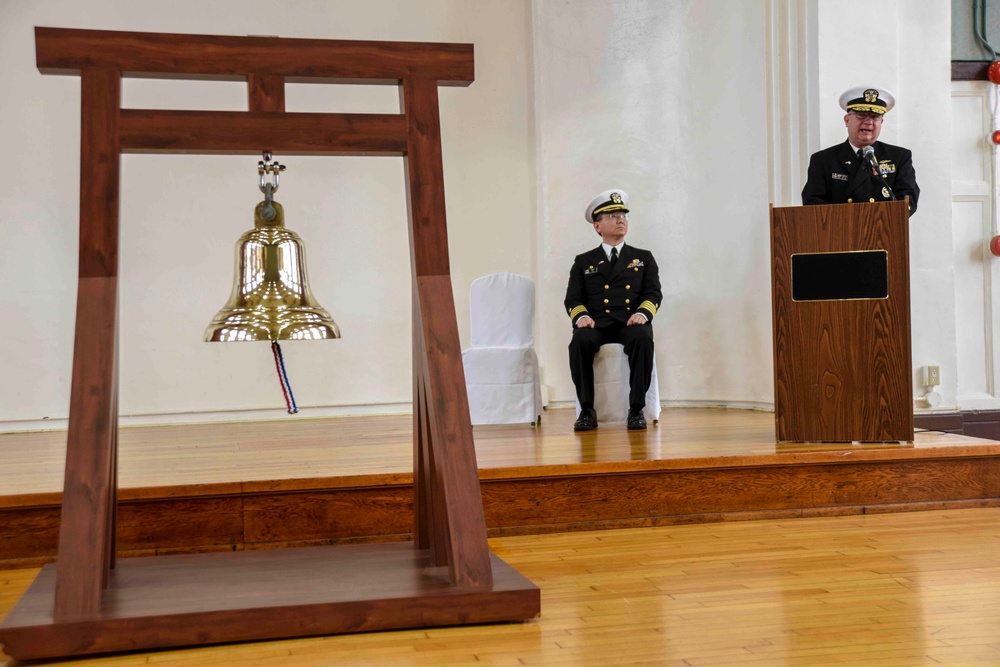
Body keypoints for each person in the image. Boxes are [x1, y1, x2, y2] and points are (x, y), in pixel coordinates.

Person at [565, 189, 661, 431]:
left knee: (643, 337)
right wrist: (582, 316)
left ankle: (636, 409)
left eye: (623, 216)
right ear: (597, 226)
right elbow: (573, 298)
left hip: (629, 322)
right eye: (613, 216)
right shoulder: (583, 261)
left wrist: (643, 313)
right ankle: (587, 410)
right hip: (596, 323)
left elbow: (653, 293)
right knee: (579, 342)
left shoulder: (643, 257)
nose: (621, 220)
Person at [801, 86, 919, 215]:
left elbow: (907, 199)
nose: (868, 122)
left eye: (875, 117)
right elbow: (813, 202)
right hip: (839, 231)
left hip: (882, 231)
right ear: (847, 120)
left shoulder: (899, 157)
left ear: (881, 122)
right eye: (861, 115)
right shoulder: (823, 160)